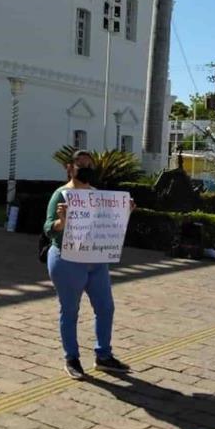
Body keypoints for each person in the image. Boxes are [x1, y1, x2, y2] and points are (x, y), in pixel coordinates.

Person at [43, 150, 132, 380]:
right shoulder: (61, 195)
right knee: (70, 310)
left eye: (89, 164)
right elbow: (47, 228)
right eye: (80, 164)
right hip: (67, 260)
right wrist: (61, 223)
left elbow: (107, 223)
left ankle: (103, 355)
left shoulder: (95, 194)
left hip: (96, 260)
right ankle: (71, 358)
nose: (85, 168)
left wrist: (124, 212)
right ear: (70, 168)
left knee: (105, 307)